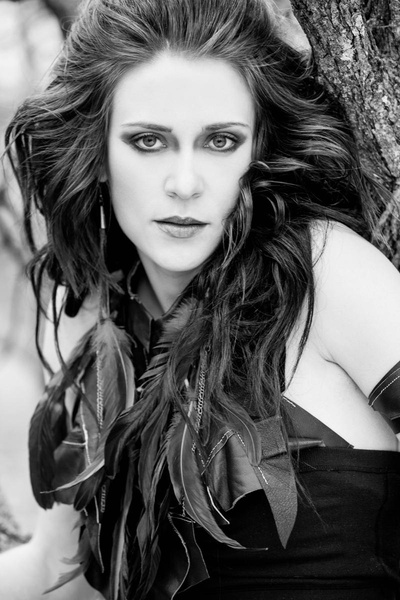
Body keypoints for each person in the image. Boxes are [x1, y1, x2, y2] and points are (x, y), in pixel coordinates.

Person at [1, 0, 400, 598]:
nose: (185, 183)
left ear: (258, 150)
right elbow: (56, 577)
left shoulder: (324, 273)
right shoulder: (96, 334)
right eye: (148, 141)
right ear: (98, 156)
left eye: (220, 140)